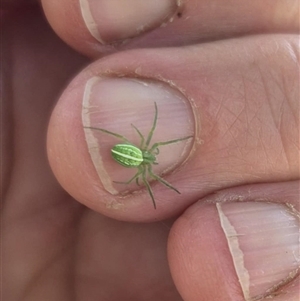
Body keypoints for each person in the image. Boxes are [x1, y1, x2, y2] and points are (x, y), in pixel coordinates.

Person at [2, 1, 299, 300]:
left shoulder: (145, 159)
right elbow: (154, 150)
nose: (154, 153)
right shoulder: (146, 160)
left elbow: (153, 162)